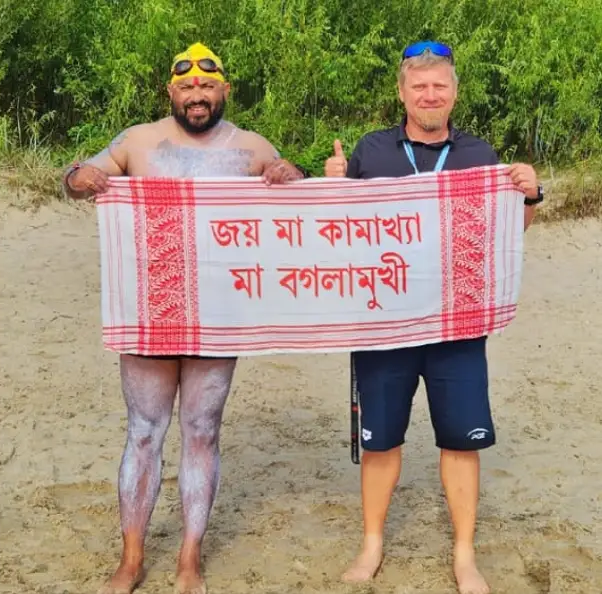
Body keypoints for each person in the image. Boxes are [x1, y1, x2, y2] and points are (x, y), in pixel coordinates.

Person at [63, 42, 307, 594]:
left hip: (220, 312)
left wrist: (292, 173)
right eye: (187, 87)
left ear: (224, 90)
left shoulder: (250, 147)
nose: (197, 95)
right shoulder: (138, 141)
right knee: (144, 432)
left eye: (208, 86)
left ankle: (190, 558)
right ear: (171, 92)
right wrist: (79, 178)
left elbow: (292, 189)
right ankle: (131, 559)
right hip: (150, 308)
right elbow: (78, 172)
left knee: (202, 431)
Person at [325, 40, 542, 594]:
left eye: (439, 86)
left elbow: (504, 238)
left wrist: (529, 196)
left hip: (457, 326)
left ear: (454, 94)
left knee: (460, 441)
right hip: (383, 325)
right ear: (402, 93)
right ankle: (371, 545)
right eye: (418, 86)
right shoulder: (370, 152)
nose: (429, 95)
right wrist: (330, 189)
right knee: (380, 443)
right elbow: (335, 235)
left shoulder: (480, 154)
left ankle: (465, 555)